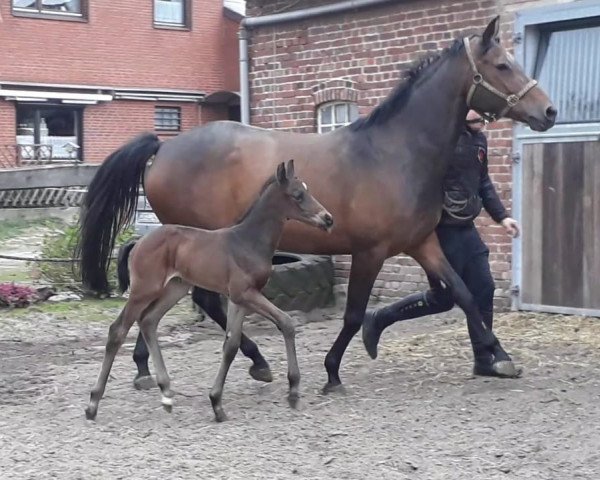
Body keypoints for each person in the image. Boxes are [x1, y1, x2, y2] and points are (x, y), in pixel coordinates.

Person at [361, 110, 520, 377]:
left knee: (484, 288)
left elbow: (483, 183)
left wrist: (502, 217)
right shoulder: (440, 139)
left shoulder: (478, 140)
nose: (482, 115)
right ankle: (379, 318)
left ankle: (483, 360)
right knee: (446, 298)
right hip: (439, 232)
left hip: (466, 228)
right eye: (475, 109)